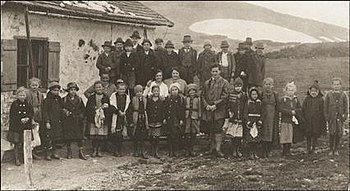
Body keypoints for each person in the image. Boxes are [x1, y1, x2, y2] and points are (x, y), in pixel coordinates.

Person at [201, 64, 229, 158]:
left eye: (216, 71)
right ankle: (211, 149)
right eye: (213, 71)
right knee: (211, 130)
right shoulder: (207, 83)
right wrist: (206, 105)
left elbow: (225, 96)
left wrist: (215, 104)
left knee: (218, 130)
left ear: (220, 71)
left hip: (219, 111)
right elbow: (203, 95)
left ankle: (218, 149)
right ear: (210, 72)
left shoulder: (224, 82)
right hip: (209, 110)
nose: (215, 73)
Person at [8, 87, 34, 166]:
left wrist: (28, 118)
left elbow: (31, 113)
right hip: (17, 126)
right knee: (17, 142)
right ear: (17, 96)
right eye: (20, 95)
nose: (22, 97)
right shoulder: (14, 104)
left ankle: (25, 157)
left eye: (23, 95)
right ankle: (17, 158)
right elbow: (12, 115)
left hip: (26, 125)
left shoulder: (28, 103)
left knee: (25, 142)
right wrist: (20, 119)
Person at [61, 82, 87, 160]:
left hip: (77, 120)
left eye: (74, 90)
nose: (73, 91)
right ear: (68, 91)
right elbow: (61, 108)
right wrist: (65, 111)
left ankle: (80, 152)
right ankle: (69, 152)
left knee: (79, 137)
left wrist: (81, 116)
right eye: (71, 90)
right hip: (68, 121)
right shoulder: (64, 99)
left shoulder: (79, 99)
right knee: (68, 137)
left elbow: (83, 109)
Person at [85, 81, 110, 157]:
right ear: (94, 89)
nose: (99, 88)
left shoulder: (106, 97)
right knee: (94, 136)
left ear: (103, 88)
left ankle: (99, 150)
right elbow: (88, 108)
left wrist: (106, 107)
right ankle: (94, 149)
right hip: (94, 119)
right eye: (97, 87)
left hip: (102, 119)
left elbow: (109, 108)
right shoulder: (91, 97)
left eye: (100, 87)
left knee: (100, 136)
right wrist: (94, 108)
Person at [324, 77, 348, 156]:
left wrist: (345, 115)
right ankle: (331, 149)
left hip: (340, 118)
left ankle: (336, 149)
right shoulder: (329, 95)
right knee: (331, 133)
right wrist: (327, 116)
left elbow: (346, 106)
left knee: (338, 133)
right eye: (335, 84)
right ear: (332, 85)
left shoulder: (343, 95)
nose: (336, 86)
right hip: (331, 118)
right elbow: (325, 107)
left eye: (338, 84)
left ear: (340, 85)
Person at [279, 81, 303, 157]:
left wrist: (295, 111)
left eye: (292, 90)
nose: (291, 92)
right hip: (285, 120)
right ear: (286, 91)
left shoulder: (295, 99)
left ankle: (288, 150)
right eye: (289, 90)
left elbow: (300, 108)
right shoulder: (284, 99)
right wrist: (289, 112)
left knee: (290, 136)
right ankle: (284, 151)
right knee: (285, 136)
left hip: (292, 121)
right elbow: (281, 109)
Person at [302, 80, 326, 154]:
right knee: (308, 135)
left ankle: (314, 148)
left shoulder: (320, 100)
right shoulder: (307, 99)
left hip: (317, 121)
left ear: (318, 92)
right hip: (308, 120)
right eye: (312, 91)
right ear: (309, 91)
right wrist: (303, 117)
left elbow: (323, 111)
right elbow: (303, 109)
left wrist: (322, 119)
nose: (313, 93)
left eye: (315, 91)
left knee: (315, 134)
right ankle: (308, 148)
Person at [42, 82, 64, 160]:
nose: (56, 92)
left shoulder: (59, 99)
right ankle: (48, 154)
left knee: (56, 138)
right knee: (48, 138)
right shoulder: (47, 100)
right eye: (54, 90)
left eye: (57, 91)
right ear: (50, 90)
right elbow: (45, 112)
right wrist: (47, 121)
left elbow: (61, 109)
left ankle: (55, 153)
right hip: (50, 122)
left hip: (57, 121)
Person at [226, 77, 247, 158]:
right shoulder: (231, 94)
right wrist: (230, 113)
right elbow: (228, 105)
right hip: (233, 117)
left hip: (240, 118)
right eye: (236, 86)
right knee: (233, 135)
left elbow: (245, 106)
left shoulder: (244, 95)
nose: (238, 87)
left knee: (239, 135)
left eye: (240, 86)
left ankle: (238, 148)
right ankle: (233, 149)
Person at [109, 82, 131, 157]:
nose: (122, 91)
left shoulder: (127, 97)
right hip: (115, 116)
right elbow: (111, 106)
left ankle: (119, 149)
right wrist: (118, 111)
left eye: (123, 89)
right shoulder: (113, 96)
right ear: (117, 89)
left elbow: (128, 107)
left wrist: (124, 113)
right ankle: (115, 149)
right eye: (120, 89)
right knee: (116, 134)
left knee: (121, 134)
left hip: (123, 116)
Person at [164, 83, 185, 157]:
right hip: (170, 119)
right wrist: (164, 118)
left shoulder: (181, 99)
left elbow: (182, 110)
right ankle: (170, 150)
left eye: (176, 90)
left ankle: (176, 150)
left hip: (176, 119)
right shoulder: (168, 99)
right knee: (169, 135)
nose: (174, 91)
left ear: (178, 90)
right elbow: (165, 109)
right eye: (172, 90)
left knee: (176, 135)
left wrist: (182, 119)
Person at [260, 78, 279, 158]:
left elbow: (277, 106)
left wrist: (277, 116)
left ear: (272, 86)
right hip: (264, 116)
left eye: (270, 84)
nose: (268, 86)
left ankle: (269, 150)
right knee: (264, 132)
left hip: (272, 116)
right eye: (266, 84)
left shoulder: (275, 94)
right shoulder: (261, 94)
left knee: (271, 132)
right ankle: (263, 151)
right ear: (263, 85)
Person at [26, 77, 44, 160]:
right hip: (31, 113)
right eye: (32, 85)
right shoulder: (28, 94)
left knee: (37, 132)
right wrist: (31, 118)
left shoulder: (40, 94)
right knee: (32, 135)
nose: (34, 87)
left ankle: (34, 151)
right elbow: (28, 107)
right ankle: (30, 153)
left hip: (38, 114)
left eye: (36, 85)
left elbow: (42, 105)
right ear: (29, 86)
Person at [243, 87, 263, 160]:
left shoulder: (260, 103)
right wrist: (248, 121)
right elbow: (245, 113)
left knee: (256, 137)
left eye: (255, 94)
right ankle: (250, 152)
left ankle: (255, 152)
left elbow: (262, 112)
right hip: (250, 121)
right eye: (253, 94)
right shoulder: (248, 103)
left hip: (257, 121)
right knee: (250, 137)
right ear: (250, 95)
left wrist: (260, 120)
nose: (254, 96)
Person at [146, 85, 165, 159]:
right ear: (152, 92)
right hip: (151, 120)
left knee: (157, 137)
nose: (156, 92)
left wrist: (163, 118)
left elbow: (163, 110)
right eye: (155, 91)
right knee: (151, 136)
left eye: (157, 91)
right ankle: (152, 149)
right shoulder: (149, 100)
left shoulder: (161, 101)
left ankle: (156, 151)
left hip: (158, 120)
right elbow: (147, 110)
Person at [131, 85, 149, 159]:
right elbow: (131, 109)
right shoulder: (134, 99)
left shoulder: (144, 99)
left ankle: (143, 151)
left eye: (140, 92)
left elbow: (146, 109)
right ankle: (136, 151)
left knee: (143, 136)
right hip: (136, 117)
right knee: (136, 136)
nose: (139, 93)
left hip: (143, 117)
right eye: (137, 92)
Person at [184, 83, 201, 157]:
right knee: (187, 133)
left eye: (193, 91)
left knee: (193, 133)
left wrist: (199, 116)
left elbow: (199, 109)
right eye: (190, 91)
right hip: (187, 117)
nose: (192, 92)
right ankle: (187, 150)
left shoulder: (198, 99)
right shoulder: (185, 99)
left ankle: (192, 149)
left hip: (194, 116)